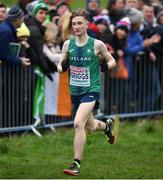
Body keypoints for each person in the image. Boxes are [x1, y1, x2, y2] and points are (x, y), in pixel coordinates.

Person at [57, 8, 117, 176]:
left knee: (78, 123)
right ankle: (106, 126)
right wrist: (62, 67)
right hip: (75, 90)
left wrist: (105, 66)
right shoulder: (68, 44)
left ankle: (76, 163)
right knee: (90, 126)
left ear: (87, 24)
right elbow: (60, 64)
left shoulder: (97, 44)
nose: (76, 27)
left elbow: (112, 61)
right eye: (74, 23)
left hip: (92, 89)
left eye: (79, 23)